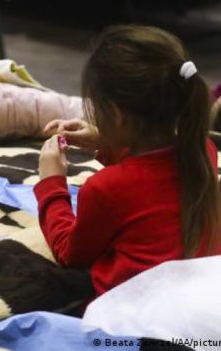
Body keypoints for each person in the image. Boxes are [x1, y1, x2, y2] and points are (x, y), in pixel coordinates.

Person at [35, 25, 221, 299]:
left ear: (115, 114)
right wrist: (106, 140)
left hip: (136, 310)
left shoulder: (104, 188)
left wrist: (51, 183)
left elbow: (69, 253)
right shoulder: (203, 151)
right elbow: (149, 177)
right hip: (202, 298)